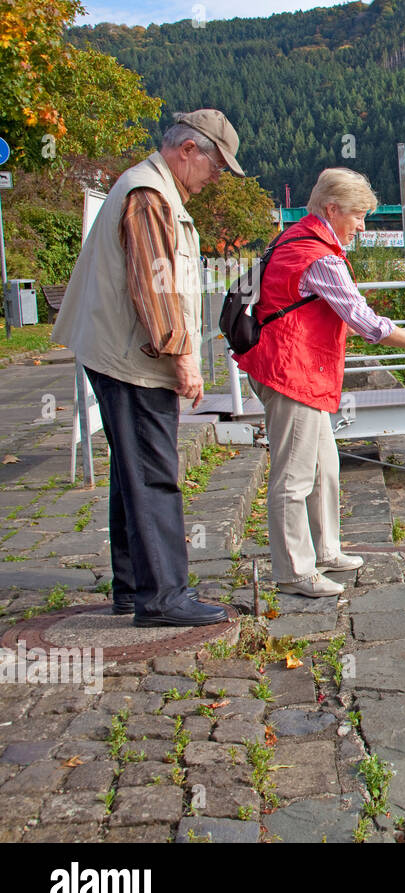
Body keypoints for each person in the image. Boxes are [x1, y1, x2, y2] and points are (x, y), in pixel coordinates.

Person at [233, 168, 405, 597]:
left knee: (325, 465)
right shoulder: (319, 256)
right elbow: (365, 322)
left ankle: (325, 549)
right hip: (290, 372)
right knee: (295, 476)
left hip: (293, 368)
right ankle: (293, 572)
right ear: (332, 209)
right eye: (359, 216)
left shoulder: (295, 238)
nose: (363, 226)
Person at [52, 110, 242, 627]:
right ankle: (163, 598)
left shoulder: (149, 188)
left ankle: (135, 587)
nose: (216, 176)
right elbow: (155, 286)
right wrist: (183, 357)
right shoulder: (149, 195)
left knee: (132, 473)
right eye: (217, 165)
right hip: (132, 361)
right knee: (155, 475)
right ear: (188, 151)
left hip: (121, 354)